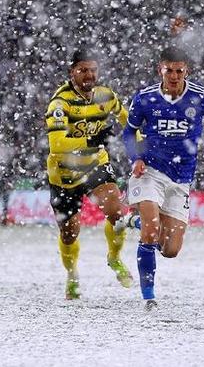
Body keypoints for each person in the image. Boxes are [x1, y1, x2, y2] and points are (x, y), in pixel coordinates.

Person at [122, 46, 204, 311]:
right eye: (168, 70)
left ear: (187, 71)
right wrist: (135, 158)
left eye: (179, 71)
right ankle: (148, 296)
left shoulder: (202, 97)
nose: (173, 76)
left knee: (171, 249)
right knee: (151, 232)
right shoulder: (144, 98)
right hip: (148, 172)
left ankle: (134, 221)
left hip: (181, 178)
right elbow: (129, 133)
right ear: (159, 69)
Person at [45, 48, 134, 299]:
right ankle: (72, 275)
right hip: (64, 175)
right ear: (72, 72)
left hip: (95, 165)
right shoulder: (59, 103)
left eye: (93, 69)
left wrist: (142, 141)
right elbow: (57, 145)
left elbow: (128, 119)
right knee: (69, 232)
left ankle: (114, 258)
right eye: (83, 70)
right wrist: (90, 140)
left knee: (117, 212)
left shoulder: (106, 95)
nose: (89, 75)